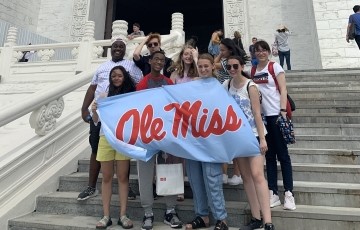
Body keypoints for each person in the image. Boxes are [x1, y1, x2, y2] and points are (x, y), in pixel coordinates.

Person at [78, 39, 142, 202]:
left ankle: (125, 187)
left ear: (125, 49)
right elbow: (93, 87)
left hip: (121, 116)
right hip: (100, 114)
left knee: (123, 151)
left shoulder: (131, 66)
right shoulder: (102, 67)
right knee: (95, 149)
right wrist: (84, 108)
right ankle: (91, 186)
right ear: (111, 49)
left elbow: (139, 86)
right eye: (115, 46)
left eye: (121, 46)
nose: (118, 49)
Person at [223, 55, 275, 230]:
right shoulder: (226, 85)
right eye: (228, 67)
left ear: (241, 65)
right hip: (238, 136)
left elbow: (257, 114)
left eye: (235, 66)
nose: (231, 70)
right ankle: (255, 216)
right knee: (246, 177)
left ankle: (268, 221)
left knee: (257, 175)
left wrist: (262, 139)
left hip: (253, 134)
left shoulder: (250, 86)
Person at [136, 50, 183, 230]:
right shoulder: (143, 83)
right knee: (146, 175)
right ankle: (148, 212)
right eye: (156, 59)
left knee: (169, 171)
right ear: (150, 60)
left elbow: (173, 108)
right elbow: (138, 109)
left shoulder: (168, 82)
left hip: (165, 135)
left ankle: (170, 211)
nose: (159, 62)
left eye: (162, 60)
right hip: (147, 136)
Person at [184, 53, 228, 230]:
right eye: (200, 66)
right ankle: (202, 215)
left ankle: (221, 218)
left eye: (206, 66)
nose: (203, 69)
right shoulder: (191, 86)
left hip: (211, 139)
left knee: (212, 178)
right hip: (193, 139)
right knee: (195, 178)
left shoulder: (219, 86)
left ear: (212, 67)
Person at [251, 40, 296, 211]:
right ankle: (273, 192)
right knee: (269, 156)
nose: (261, 53)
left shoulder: (275, 67)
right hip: (263, 119)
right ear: (254, 53)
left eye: (264, 50)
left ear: (269, 52)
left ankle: (289, 193)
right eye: (258, 50)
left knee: (283, 155)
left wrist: (283, 111)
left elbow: (283, 89)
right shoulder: (254, 70)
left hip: (276, 115)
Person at [93, 66, 136, 229]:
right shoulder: (104, 96)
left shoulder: (128, 97)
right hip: (106, 138)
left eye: (119, 76)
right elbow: (96, 120)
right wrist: (94, 110)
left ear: (124, 77)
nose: (116, 78)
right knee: (106, 177)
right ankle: (106, 216)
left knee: (123, 177)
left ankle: (123, 215)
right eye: (113, 76)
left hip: (123, 139)